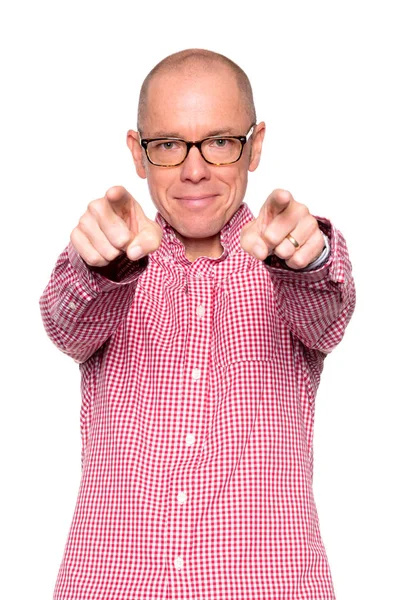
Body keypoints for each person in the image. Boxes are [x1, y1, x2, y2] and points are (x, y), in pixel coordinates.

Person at [40, 48, 356, 600]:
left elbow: (328, 314)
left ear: (254, 146)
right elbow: (66, 325)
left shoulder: (290, 254)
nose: (193, 168)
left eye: (219, 141)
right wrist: (103, 269)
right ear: (138, 154)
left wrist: (301, 263)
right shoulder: (110, 256)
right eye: (168, 145)